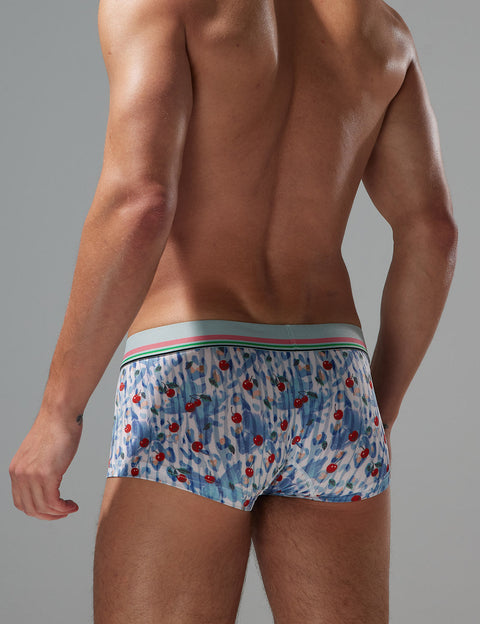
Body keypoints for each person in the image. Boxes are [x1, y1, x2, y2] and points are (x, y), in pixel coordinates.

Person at [8, 0, 458, 622]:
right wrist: (379, 409)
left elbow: (141, 202)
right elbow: (433, 231)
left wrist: (59, 411)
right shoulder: (381, 28)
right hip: (334, 378)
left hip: (195, 370)